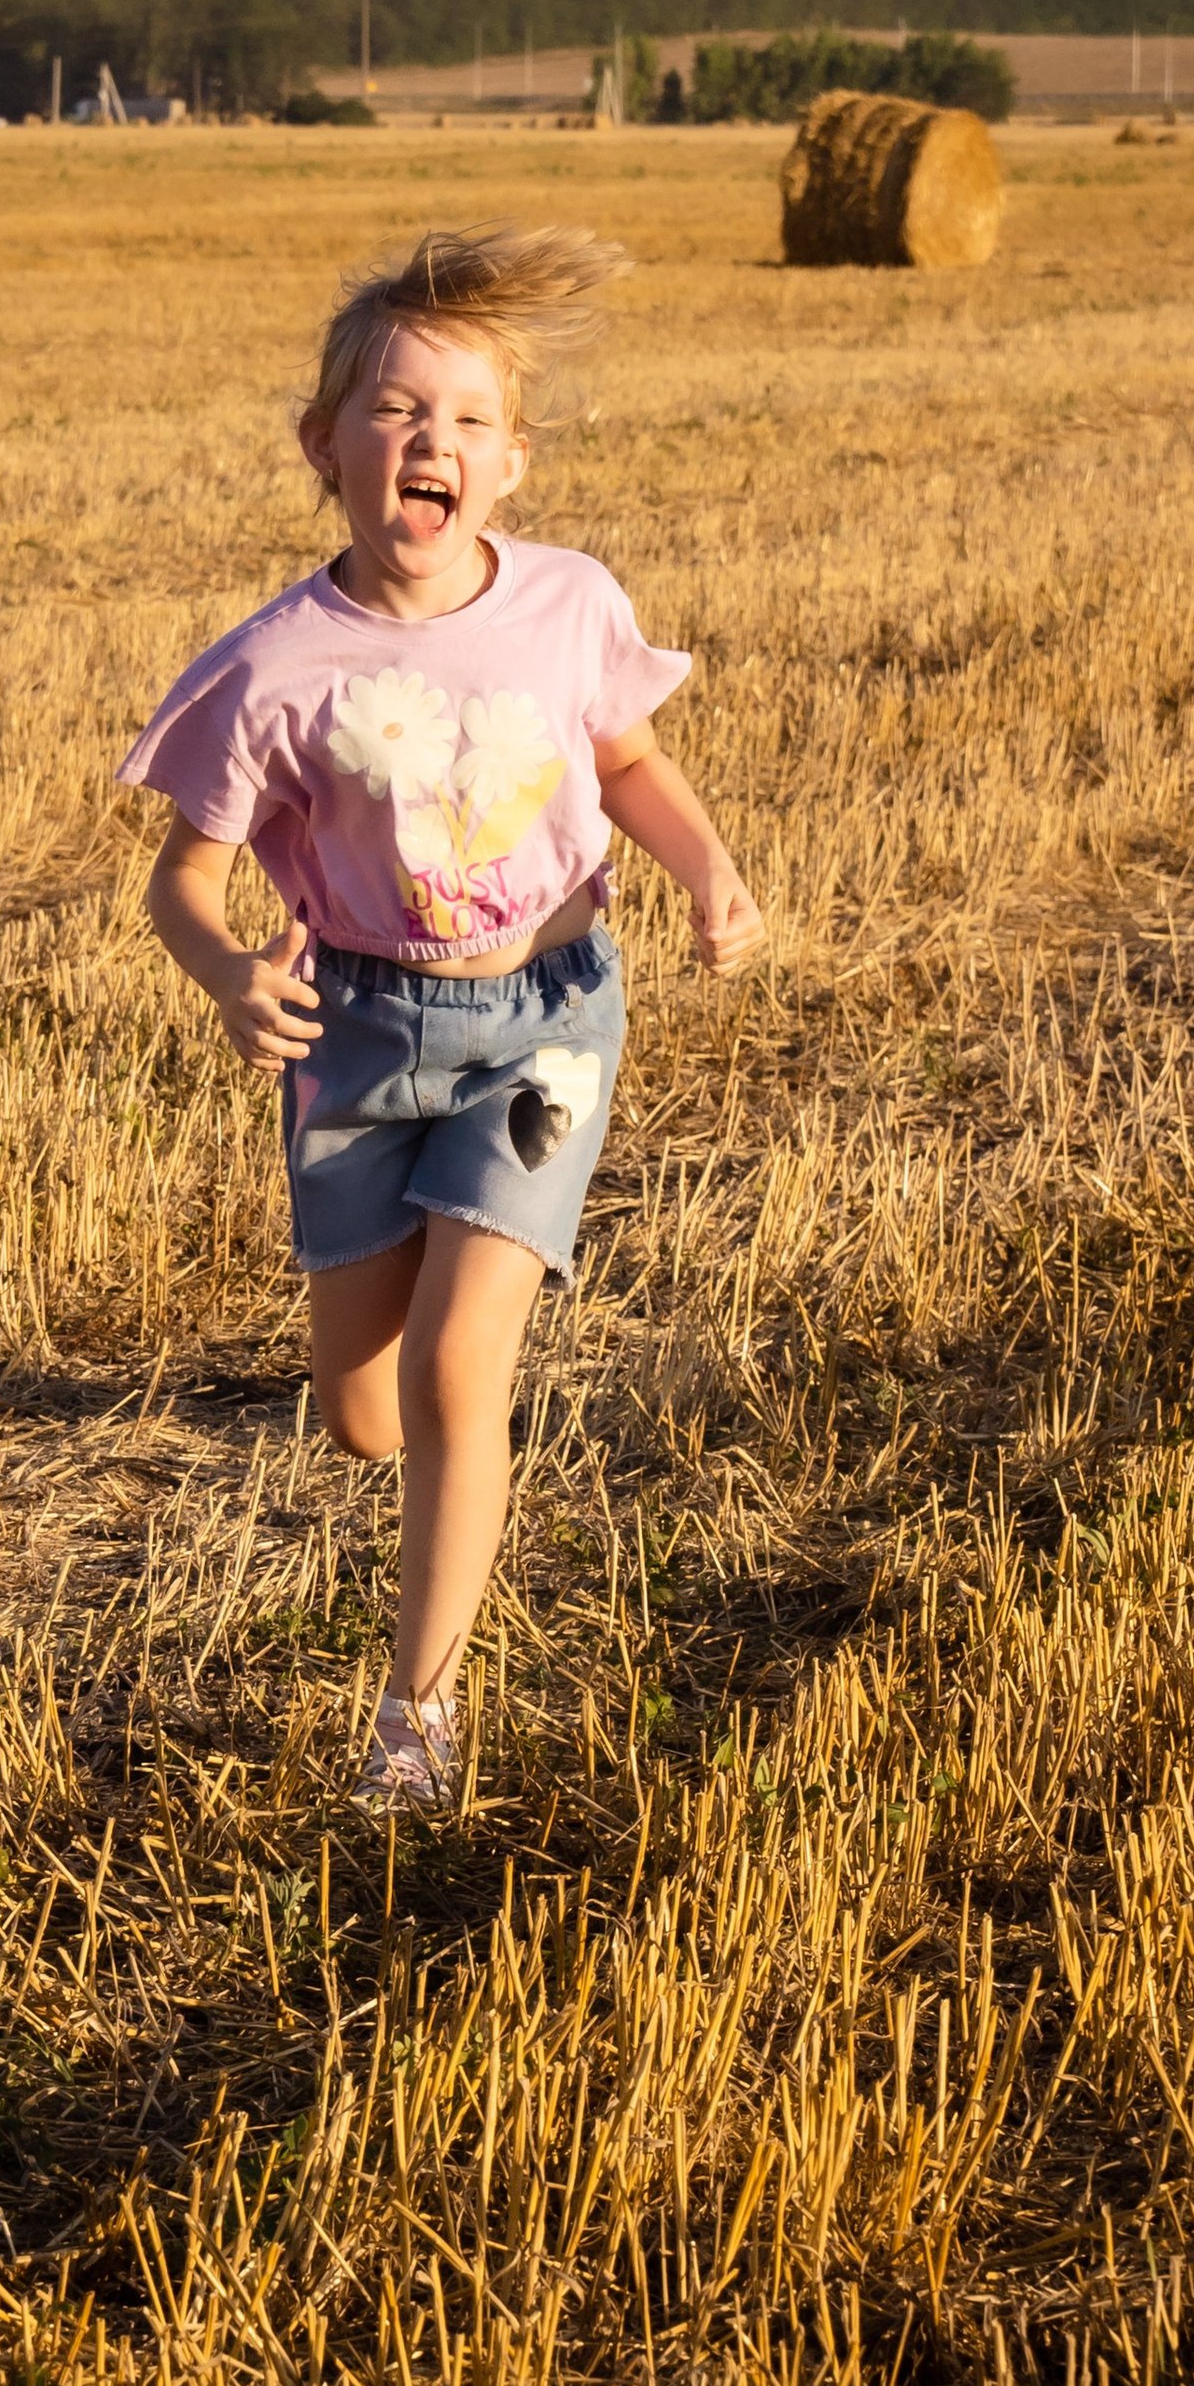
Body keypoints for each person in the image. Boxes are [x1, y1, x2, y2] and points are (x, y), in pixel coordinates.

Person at [117, 227, 763, 1812]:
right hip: (355, 1036)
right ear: (326, 447)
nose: (433, 444)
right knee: (360, 1416)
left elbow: (621, 764)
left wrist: (708, 868)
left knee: (463, 1372)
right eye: (398, 412)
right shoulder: (275, 666)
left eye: (468, 421)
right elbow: (181, 883)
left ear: (514, 463)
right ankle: (414, 1469)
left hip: (547, 1020)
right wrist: (226, 974)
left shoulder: (565, 604)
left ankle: (418, 1714)